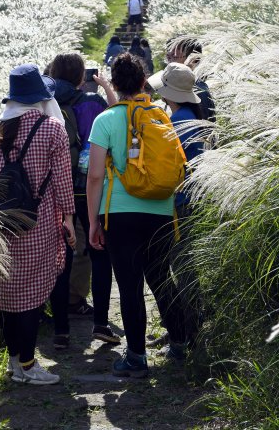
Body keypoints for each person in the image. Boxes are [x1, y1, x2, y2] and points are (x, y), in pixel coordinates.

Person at [87, 53, 186, 377]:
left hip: (120, 214)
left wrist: (93, 221)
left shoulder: (105, 120)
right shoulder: (159, 115)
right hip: (160, 210)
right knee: (161, 281)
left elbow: (96, 176)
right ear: (144, 83)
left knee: (130, 287)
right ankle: (181, 346)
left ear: (113, 84)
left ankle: (136, 358)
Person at [0, 64, 76, 385]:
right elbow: (63, 182)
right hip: (38, 226)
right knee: (31, 297)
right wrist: (68, 219)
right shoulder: (52, 129)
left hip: (2, 224)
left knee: (9, 294)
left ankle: (13, 362)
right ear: (39, 96)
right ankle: (27, 365)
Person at [48, 54, 119, 349]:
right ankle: (100, 324)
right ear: (81, 76)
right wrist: (105, 88)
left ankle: (61, 329)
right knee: (99, 250)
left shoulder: (44, 101)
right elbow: (117, 118)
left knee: (61, 253)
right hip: (91, 186)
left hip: (57, 188)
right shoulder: (92, 101)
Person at [147, 62, 204, 347]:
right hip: (192, 203)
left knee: (181, 269)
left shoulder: (177, 123)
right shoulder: (193, 117)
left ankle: (188, 335)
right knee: (185, 267)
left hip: (177, 205)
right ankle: (184, 330)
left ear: (168, 93)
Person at [166, 37, 215, 122]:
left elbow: (203, 130)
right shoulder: (181, 86)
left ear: (193, 58)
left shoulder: (198, 90)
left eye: (174, 55)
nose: (169, 54)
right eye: (169, 51)